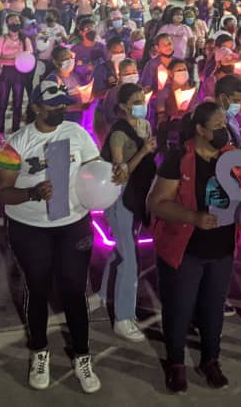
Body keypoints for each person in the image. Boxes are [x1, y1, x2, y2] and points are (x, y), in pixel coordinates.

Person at [0, 81, 105, 394]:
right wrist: (31, 192)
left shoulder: (77, 133)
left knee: (74, 291)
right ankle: (39, 351)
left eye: (63, 104)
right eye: (53, 105)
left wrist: (112, 175)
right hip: (30, 229)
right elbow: (0, 192)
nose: (61, 109)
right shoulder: (16, 144)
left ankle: (82, 355)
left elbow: (94, 169)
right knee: (38, 289)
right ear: (36, 108)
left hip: (72, 224)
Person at [147, 102, 241, 393]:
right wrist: (194, 218)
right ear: (201, 130)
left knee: (213, 309)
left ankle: (210, 360)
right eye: (217, 126)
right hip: (184, 249)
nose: (223, 130)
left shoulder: (233, 157)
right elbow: (156, 203)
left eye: (225, 124)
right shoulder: (179, 158)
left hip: (222, 249)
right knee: (179, 309)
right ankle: (176, 363)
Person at [96, 83, 157, 342]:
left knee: (123, 248)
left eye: (142, 98)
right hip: (121, 199)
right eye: (135, 100)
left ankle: (101, 295)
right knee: (130, 259)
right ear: (122, 106)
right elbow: (120, 173)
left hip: (139, 197)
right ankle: (123, 317)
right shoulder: (118, 134)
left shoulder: (145, 126)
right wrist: (143, 151)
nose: (141, 103)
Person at [0, 13, 36, 144]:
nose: (15, 23)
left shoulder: (25, 40)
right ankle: (0, 132)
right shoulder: (2, 39)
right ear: (7, 24)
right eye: (12, 21)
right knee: (2, 103)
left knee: (18, 103)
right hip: (5, 74)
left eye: (17, 21)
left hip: (19, 74)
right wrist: (13, 60)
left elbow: (29, 57)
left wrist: (10, 60)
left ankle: (15, 131)